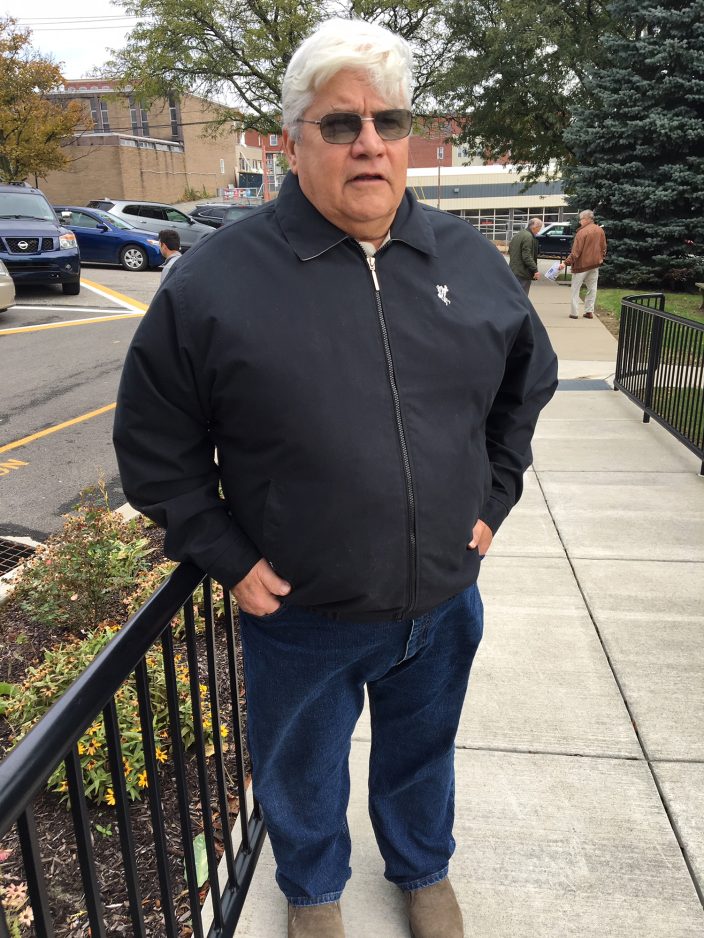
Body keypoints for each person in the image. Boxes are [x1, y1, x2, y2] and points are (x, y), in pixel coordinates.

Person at [114, 18, 557, 938]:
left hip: (442, 600)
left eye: (388, 122)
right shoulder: (215, 283)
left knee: (422, 752)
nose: (369, 143)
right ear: (292, 142)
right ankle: (313, 895)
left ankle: (422, 870)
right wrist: (226, 556)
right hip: (302, 613)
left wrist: (493, 498)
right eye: (341, 123)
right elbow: (156, 443)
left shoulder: (467, 262)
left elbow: (525, 385)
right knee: (302, 770)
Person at [559, 209, 607, 319]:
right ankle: (589, 311)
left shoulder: (582, 232)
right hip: (595, 264)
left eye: (580, 219)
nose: (579, 221)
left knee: (575, 290)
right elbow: (604, 247)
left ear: (586, 219)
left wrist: (565, 263)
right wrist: (601, 258)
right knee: (592, 288)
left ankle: (574, 313)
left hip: (581, 266)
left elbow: (576, 252)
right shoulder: (600, 230)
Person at [508, 217, 543, 294]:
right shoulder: (528, 237)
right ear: (535, 227)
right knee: (522, 296)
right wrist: (535, 270)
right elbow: (527, 256)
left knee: (514, 295)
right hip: (523, 273)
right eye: (539, 228)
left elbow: (510, 251)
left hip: (514, 271)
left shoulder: (518, 234)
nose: (539, 231)